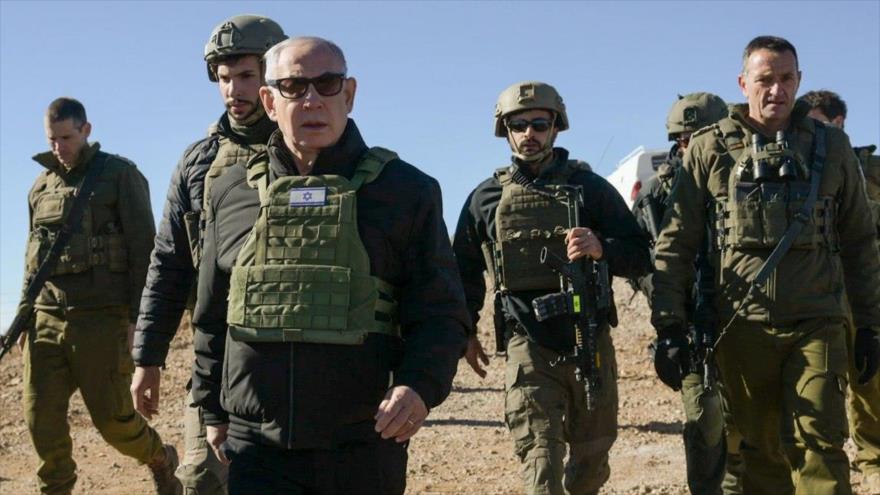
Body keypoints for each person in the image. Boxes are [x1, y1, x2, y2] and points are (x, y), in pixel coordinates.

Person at [190, 36, 469, 494]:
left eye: (327, 83)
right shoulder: (230, 192)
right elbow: (211, 314)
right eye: (294, 87)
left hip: (362, 444)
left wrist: (418, 386)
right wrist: (211, 411)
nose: (312, 99)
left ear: (350, 93)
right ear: (268, 99)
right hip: (255, 447)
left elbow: (441, 313)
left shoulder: (405, 191)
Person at [651, 35, 880, 495]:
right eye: (765, 80)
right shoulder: (708, 149)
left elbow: (859, 242)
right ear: (743, 83)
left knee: (820, 446)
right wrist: (669, 324)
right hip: (741, 328)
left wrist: (870, 326)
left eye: (787, 79)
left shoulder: (832, 147)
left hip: (817, 323)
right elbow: (676, 243)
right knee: (760, 454)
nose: (777, 90)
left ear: (799, 81)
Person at [453, 81, 650, 495]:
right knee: (540, 462)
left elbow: (640, 254)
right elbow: (463, 272)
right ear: (505, 130)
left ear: (556, 127)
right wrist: (464, 331)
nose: (529, 134)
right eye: (519, 124)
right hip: (529, 344)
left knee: (592, 462)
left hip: (590, 338)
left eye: (539, 124)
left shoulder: (591, 189)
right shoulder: (484, 199)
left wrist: (601, 248)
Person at [130, 14, 285, 494]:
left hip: (296, 346)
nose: (233, 90)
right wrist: (148, 357)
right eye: (223, 78)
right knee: (201, 477)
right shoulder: (198, 162)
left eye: (245, 76)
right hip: (218, 352)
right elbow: (169, 263)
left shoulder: (307, 147)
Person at [21, 97, 181, 495]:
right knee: (40, 416)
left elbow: (145, 253)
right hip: (47, 317)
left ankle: (159, 456)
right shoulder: (40, 187)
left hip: (102, 318)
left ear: (86, 130)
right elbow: (32, 258)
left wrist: (137, 324)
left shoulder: (118, 175)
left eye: (67, 137)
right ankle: (55, 488)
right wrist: (26, 315)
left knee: (113, 421)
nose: (59, 146)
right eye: (52, 139)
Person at [631, 92, 730, 495]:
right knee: (705, 423)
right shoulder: (655, 195)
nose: (696, 146)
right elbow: (638, 263)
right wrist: (666, 303)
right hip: (691, 326)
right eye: (687, 138)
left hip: (746, 318)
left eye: (705, 135)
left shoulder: (739, 179)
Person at [797, 89, 880, 494]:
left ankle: (873, 457)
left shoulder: (870, 167)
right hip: (821, 289)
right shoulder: (806, 167)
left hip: (867, 285)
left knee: (871, 376)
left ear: (838, 122)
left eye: (818, 121)